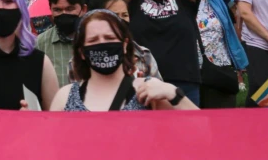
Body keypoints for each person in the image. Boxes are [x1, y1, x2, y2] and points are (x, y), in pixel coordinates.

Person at [49, 9, 198, 111]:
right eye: (93, 40)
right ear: (81, 52)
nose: (102, 43)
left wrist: (174, 94)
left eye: (110, 38)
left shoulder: (147, 91)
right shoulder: (65, 97)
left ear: (125, 45)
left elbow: (203, 131)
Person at [36, 0, 87, 87]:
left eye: (70, 9)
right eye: (57, 10)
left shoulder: (95, 40)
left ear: (83, 9)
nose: (64, 14)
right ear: (50, 10)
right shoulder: (40, 43)